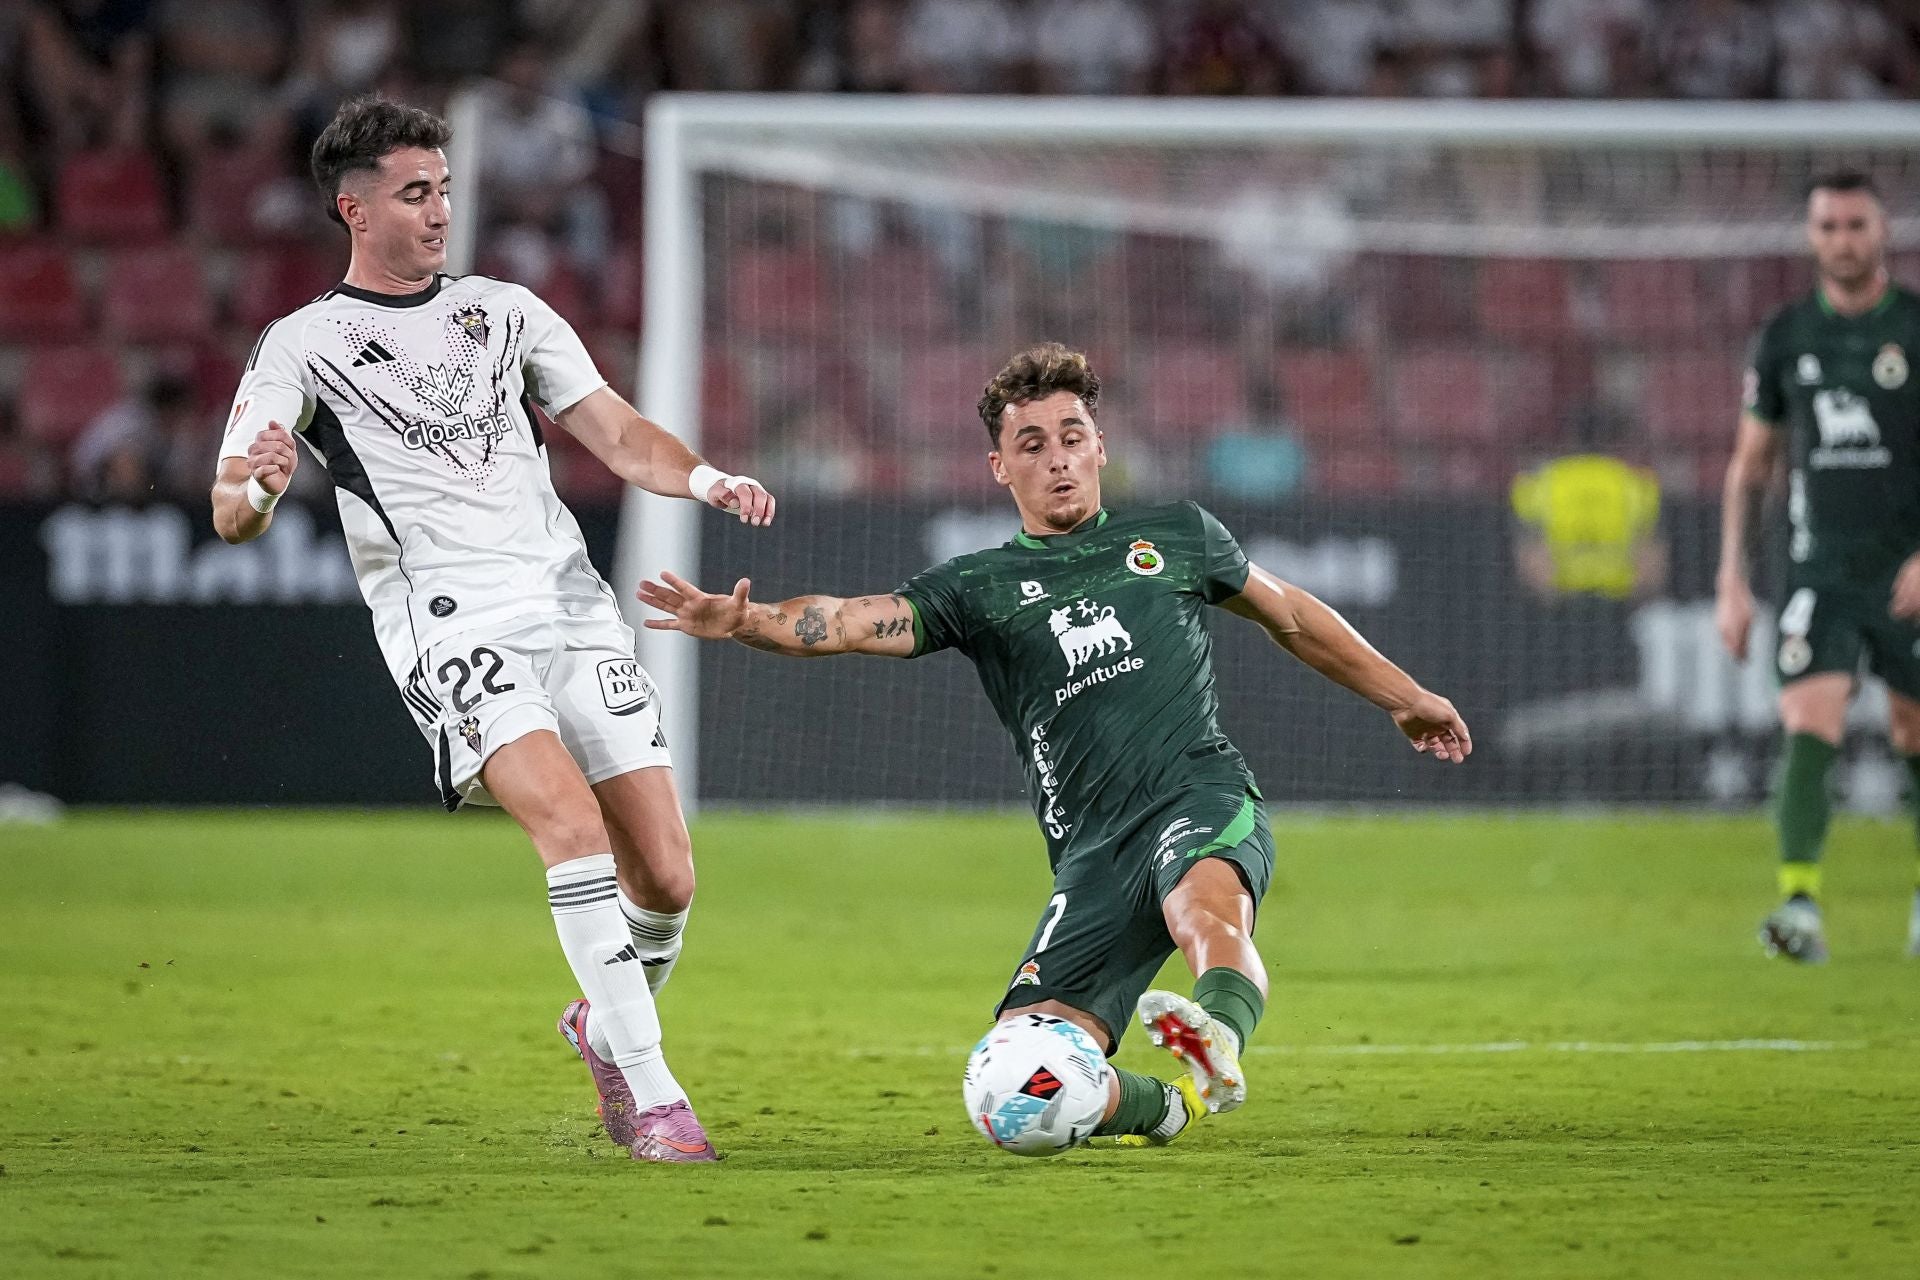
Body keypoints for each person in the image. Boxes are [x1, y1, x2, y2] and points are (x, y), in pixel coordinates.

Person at [639, 343, 1469, 1145]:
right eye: (1031, 444)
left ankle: (1216, 1034)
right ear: (1001, 466)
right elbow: (850, 621)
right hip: (1093, 858)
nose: (1058, 459)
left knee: (1199, 909)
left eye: (1073, 438)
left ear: (1100, 446)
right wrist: (746, 619)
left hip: (1199, 797)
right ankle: (1165, 1106)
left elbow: (1292, 615)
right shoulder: (979, 587)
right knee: (1015, 1078)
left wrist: (1408, 699)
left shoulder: (1178, 536)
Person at [208, 96, 776, 1162]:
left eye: (445, 189)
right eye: (416, 193)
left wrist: (703, 475)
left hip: (569, 603)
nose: (439, 212)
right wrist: (262, 492)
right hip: (453, 621)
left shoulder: (505, 310)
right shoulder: (302, 345)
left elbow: (611, 426)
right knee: (568, 827)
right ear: (354, 207)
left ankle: (603, 1027)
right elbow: (230, 504)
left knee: (666, 876)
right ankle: (657, 1099)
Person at [1717, 171, 1920, 964]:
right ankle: (1799, 904)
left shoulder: (1916, 327)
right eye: (1829, 226)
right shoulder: (1785, 335)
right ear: (1811, 236)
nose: (1843, 240)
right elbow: (1751, 466)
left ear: (1883, 233)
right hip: (1818, 574)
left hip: (1906, 573)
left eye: (1856, 225)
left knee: (1912, 730)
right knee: (1808, 719)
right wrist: (1732, 578)